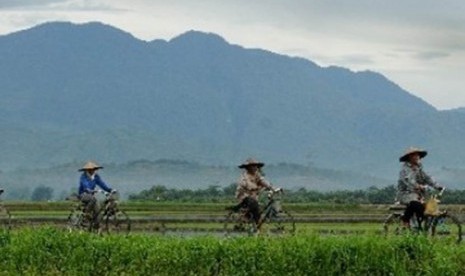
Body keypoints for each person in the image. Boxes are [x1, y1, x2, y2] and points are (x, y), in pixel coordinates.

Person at [396, 147, 443, 228]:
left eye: (418, 155)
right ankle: (405, 220)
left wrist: (437, 186)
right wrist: (417, 186)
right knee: (416, 204)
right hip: (406, 193)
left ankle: (420, 225)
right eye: (414, 155)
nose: (417, 157)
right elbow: (408, 180)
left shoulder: (419, 168)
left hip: (418, 194)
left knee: (429, 206)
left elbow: (427, 178)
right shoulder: (405, 169)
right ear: (410, 157)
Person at [230, 158, 273, 227]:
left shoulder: (257, 175)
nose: (254, 167)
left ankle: (256, 221)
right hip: (244, 196)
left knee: (262, 203)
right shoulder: (244, 176)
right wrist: (255, 187)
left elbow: (263, 181)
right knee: (254, 205)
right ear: (248, 167)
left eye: (255, 166)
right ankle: (257, 222)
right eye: (252, 166)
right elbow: (247, 185)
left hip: (254, 196)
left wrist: (272, 187)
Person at [78, 161, 113, 226]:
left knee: (98, 209)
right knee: (93, 199)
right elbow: (85, 184)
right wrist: (89, 189)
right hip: (83, 194)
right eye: (90, 170)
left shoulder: (96, 176)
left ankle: (97, 225)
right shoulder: (83, 177)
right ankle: (86, 214)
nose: (92, 171)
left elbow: (101, 184)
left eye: (93, 169)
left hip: (91, 195)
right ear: (87, 170)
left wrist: (109, 190)